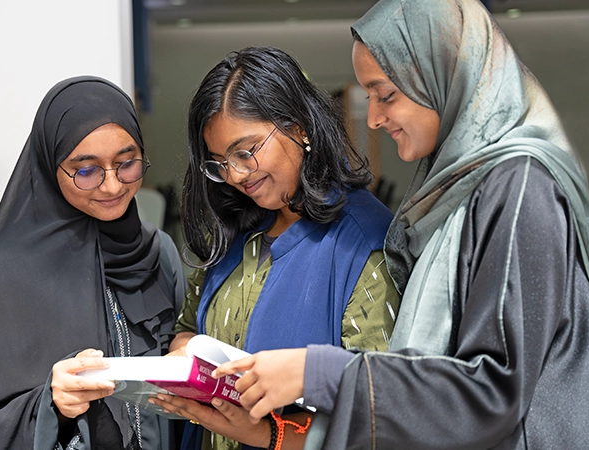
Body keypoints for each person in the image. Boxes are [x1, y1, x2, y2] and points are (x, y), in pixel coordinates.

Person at [214, 0, 589, 448]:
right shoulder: (456, 187)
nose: (376, 119)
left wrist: (318, 373)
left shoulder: (519, 186)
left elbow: (494, 391)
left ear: (443, 75)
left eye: (386, 95)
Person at [148, 46, 400, 450]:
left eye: (245, 151)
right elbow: (188, 328)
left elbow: (380, 406)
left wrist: (269, 434)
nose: (235, 175)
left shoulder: (364, 243)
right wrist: (186, 354)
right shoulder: (238, 227)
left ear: (299, 127)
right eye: (219, 162)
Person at [0, 76, 185, 450]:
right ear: (52, 167)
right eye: (86, 170)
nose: (113, 186)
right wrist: (53, 404)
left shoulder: (157, 251)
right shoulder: (9, 273)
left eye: (127, 163)